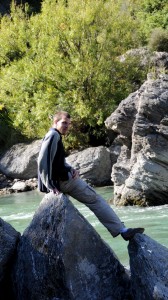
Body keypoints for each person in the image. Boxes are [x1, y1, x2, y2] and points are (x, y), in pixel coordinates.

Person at [38, 111, 144, 241]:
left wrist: (69, 168)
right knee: (95, 199)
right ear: (55, 122)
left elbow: (55, 160)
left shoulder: (54, 135)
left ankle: (121, 230)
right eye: (64, 123)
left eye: (68, 124)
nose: (66, 126)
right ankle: (122, 230)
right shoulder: (53, 135)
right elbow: (43, 161)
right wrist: (50, 185)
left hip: (62, 180)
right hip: (63, 182)